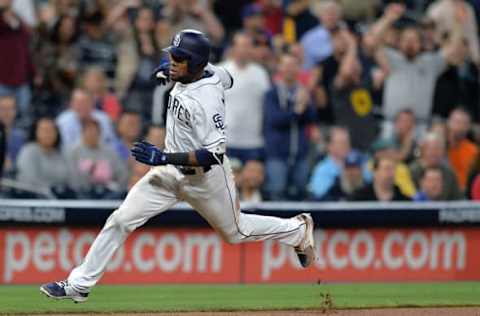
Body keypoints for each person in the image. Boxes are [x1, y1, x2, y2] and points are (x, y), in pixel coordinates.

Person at [40, 30, 315, 302]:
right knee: (121, 219)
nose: (172, 60)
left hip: (205, 178)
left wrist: (162, 158)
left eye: (178, 57)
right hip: (169, 173)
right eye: (172, 54)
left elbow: (213, 156)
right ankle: (79, 284)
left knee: (236, 232)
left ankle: (298, 230)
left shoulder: (206, 100)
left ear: (194, 64)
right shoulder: (208, 71)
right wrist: (170, 68)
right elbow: (227, 77)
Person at [264, 53, 316, 200]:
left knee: (301, 192)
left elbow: (312, 118)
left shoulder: (303, 91)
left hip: (300, 153)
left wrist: (306, 106)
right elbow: (275, 120)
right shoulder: (272, 94)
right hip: (277, 154)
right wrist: (297, 111)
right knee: (277, 192)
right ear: (279, 67)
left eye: (294, 66)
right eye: (286, 65)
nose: (290, 69)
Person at [219, 32, 270, 163]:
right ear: (233, 48)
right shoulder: (220, 72)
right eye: (240, 46)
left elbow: (267, 105)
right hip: (225, 140)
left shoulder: (261, 74)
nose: (244, 50)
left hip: (253, 141)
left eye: (247, 46)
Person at [66, 118, 128, 199]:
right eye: (89, 131)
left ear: (100, 133)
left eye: (95, 131)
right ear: (82, 132)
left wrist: (111, 183)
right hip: (81, 193)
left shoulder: (110, 152)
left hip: (108, 193)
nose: (92, 134)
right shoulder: (73, 152)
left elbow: (122, 174)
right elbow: (71, 176)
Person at [16, 117, 69, 197]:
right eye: (44, 130)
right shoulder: (29, 151)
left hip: (59, 198)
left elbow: (67, 178)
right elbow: (30, 180)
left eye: (52, 130)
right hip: (32, 198)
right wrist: (51, 190)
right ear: (36, 132)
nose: (48, 133)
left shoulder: (61, 153)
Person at [409, 132, 463, 200]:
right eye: (431, 149)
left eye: (438, 149)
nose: (435, 152)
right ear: (423, 150)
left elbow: (457, 199)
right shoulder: (411, 171)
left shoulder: (450, 173)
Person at [446, 107, 479, 191]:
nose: (460, 127)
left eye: (464, 123)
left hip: (465, 193)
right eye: (457, 122)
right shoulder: (440, 147)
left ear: (469, 126)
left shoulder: (474, 151)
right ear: (449, 122)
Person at [0, 95, 25, 177]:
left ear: (15, 111)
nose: (6, 112)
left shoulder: (21, 136)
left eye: (10, 108)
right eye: (3, 108)